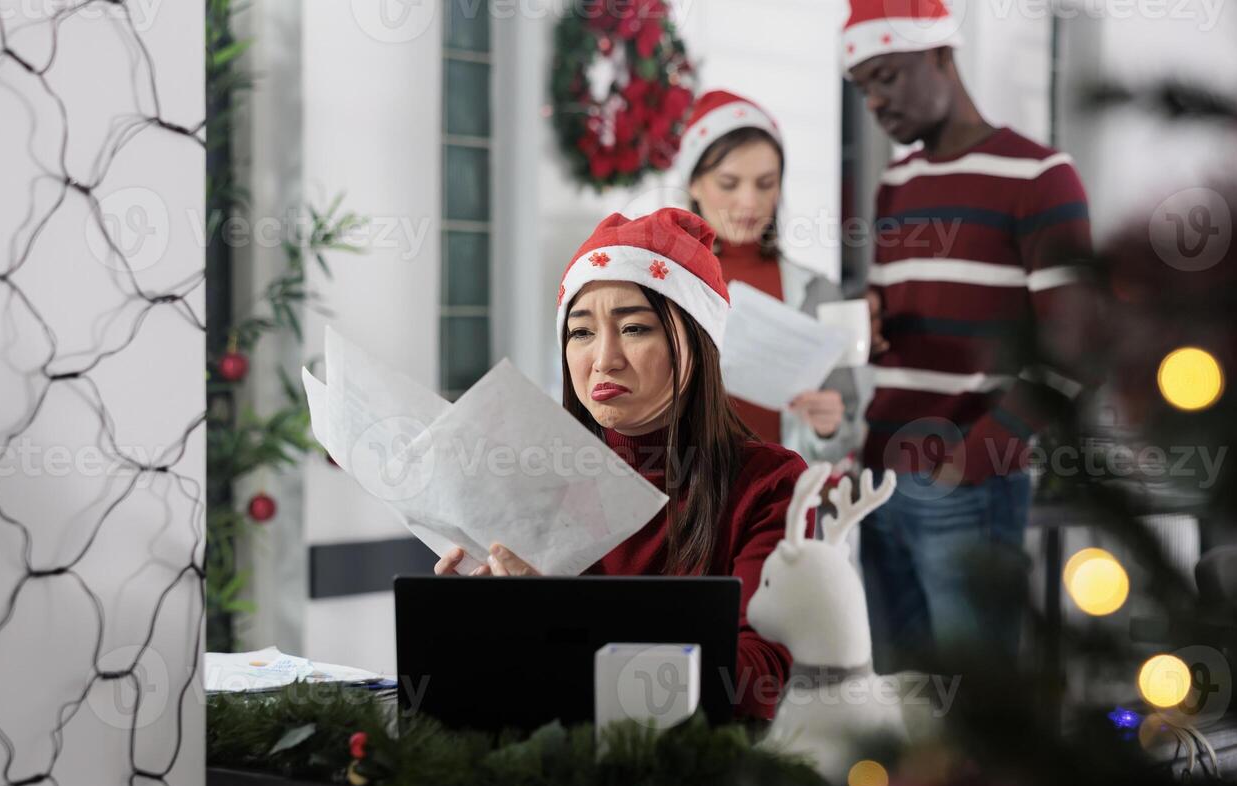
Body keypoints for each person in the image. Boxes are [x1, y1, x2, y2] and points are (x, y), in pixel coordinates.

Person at [435, 208, 808, 722]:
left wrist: (562, 619)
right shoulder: (533, 477)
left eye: (633, 327)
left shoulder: (770, 484)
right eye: (580, 332)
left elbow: (755, 683)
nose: (603, 359)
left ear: (699, 342)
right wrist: (474, 620)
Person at [842, 0, 1093, 672]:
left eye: (887, 76)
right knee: (897, 717)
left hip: (963, 480)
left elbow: (1073, 344)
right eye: (863, 86)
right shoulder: (896, 183)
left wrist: (979, 455)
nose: (875, 101)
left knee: (978, 725)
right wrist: (870, 317)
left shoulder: (1041, 178)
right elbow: (903, 320)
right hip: (876, 479)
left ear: (942, 57)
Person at [679, 89, 864, 468]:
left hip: (782, 509)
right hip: (689, 505)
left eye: (766, 183)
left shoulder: (820, 293)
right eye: (729, 184)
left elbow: (848, 428)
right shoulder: (666, 289)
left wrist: (827, 429)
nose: (749, 202)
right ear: (694, 185)